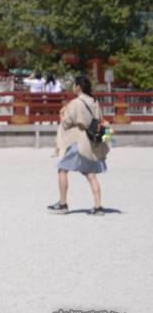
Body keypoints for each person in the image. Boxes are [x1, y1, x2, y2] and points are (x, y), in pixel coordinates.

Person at [48, 75, 109, 216]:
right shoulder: (94, 101)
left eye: (74, 85)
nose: (73, 88)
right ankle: (98, 206)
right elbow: (99, 119)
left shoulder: (75, 103)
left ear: (78, 87)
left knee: (62, 169)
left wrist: (62, 116)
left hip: (79, 141)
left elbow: (67, 123)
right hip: (92, 143)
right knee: (91, 175)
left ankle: (63, 204)